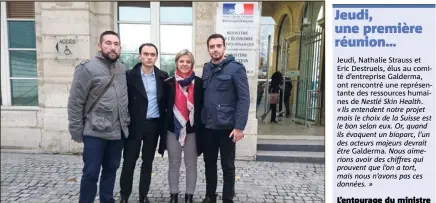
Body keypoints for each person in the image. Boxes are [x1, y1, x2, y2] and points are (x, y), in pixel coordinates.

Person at [67, 30, 130, 203]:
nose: (112, 47)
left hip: (117, 132)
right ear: (100, 45)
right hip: (95, 132)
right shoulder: (87, 68)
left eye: (116, 44)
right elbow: (75, 102)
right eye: (108, 43)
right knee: (90, 173)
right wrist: (76, 131)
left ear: (120, 48)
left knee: (111, 171)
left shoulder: (121, 68)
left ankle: (107, 200)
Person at [201, 34, 250, 203]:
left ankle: (228, 198)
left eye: (218, 46)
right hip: (208, 126)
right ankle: (210, 196)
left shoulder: (236, 68)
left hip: (228, 128)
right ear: (208, 49)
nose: (215, 49)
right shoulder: (206, 68)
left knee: (228, 166)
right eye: (212, 46)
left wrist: (239, 127)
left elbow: (244, 99)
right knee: (209, 164)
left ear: (224, 47)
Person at [119, 43, 169, 203]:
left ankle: (143, 195)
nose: (149, 57)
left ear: (156, 57)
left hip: (153, 126)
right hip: (134, 125)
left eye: (152, 54)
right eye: (146, 54)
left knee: (148, 162)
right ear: (139, 56)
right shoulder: (129, 76)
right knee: (129, 161)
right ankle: (124, 195)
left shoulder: (163, 76)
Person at [162, 49, 204, 203]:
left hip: (192, 130)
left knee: (191, 164)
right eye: (182, 61)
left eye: (188, 61)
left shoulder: (199, 83)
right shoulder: (168, 83)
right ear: (176, 63)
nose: (184, 64)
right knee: (173, 163)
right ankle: (173, 195)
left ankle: (189, 196)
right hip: (173, 129)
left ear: (192, 64)